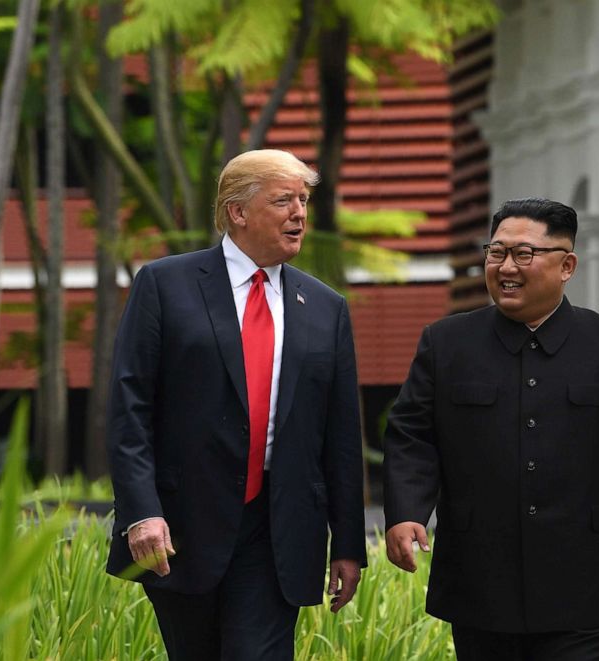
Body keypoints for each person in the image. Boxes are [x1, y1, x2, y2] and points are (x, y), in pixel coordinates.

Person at [383, 197, 599, 660]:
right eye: (496, 252)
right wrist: (406, 512)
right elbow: (412, 436)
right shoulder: (447, 344)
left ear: (567, 265)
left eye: (524, 254)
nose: (506, 267)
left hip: (587, 582)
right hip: (481, 581)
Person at [106, 149, 366, 660]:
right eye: (283, 200)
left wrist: (350, 543)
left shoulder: (326, 308)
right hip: (181, 526)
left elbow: (340, 434)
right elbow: (129, 407)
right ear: (238, 212)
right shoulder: (165, 285)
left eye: (304, 200)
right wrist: (141, 512)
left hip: (278, 528)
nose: (299, 213)